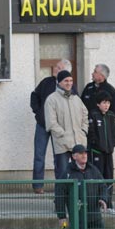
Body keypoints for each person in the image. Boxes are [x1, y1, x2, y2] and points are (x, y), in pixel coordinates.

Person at [55, 144, 107, 229]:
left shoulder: (93, 170)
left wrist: (103, 199)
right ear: (74, 156)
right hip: (78, 218)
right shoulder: (67, 173)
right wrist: (62, 216)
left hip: (94, 215)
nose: (84, 155)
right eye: (81, 153)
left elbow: (102, 186)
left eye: (85, 153)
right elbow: (59, 195)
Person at [30, 59, 73, 194]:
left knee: (59, 156)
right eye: (56, 66)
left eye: (59, 67)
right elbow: (34, 96)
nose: (55, 68)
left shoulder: (70, 87)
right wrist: (38, 112)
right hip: (43, 125)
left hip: (59, 128)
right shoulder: (46, 82)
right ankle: (38, 185)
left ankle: (60, 186)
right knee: (39, 154)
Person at [44, 70, 88, 180]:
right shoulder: (51, 99)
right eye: (66, 81)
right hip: (62, 144)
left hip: (78, 142)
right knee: (62, 174)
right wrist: (63, 134)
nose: (69, 83)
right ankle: (61, 197)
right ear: (59, 82)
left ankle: (78, 196)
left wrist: (83, 131)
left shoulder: (76, 99)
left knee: (79, 174)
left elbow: (85, 115)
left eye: (71, 80)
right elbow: (51, 123)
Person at [88, 91, 115, 215]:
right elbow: (91, 133)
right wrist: (97, 145)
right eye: (104, 103)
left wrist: (113, 143)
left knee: (109, 178)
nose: (106, 105)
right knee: (97, 178)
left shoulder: (111, 115)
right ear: (98, 104)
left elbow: (114, 133)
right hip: (97, 152)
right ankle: (96, 205)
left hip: (108, 152)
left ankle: (109, 204)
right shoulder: (93, 115)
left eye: (108, 103)